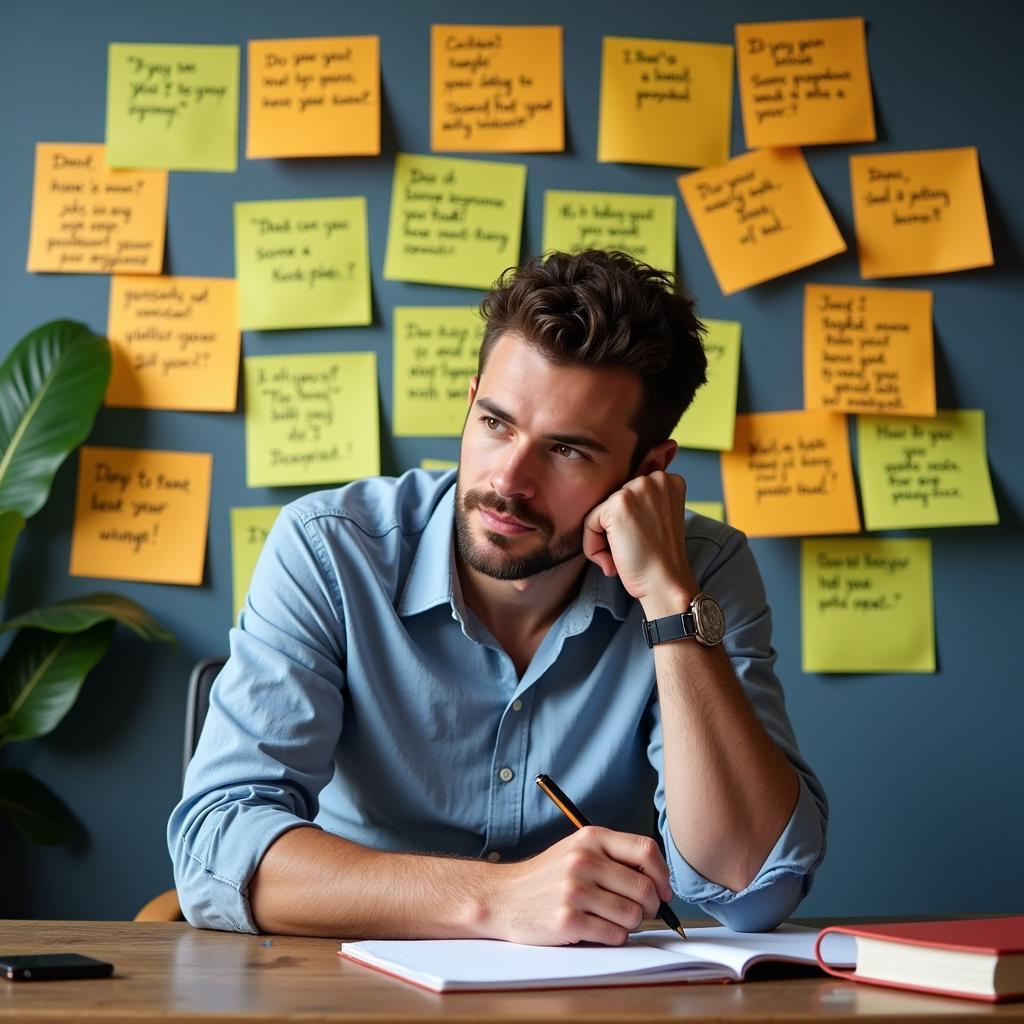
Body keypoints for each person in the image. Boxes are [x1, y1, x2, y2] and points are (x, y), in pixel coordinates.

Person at [168, 250, 827, 943]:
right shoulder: (329, 549)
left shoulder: (701, 571)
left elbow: (750, 887)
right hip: (350, 990)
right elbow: (217, 848)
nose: (509, 481)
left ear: (648, 472)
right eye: (496, 423)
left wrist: (668, 602)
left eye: (567, 450)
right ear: (471, 398)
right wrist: (495, 899)